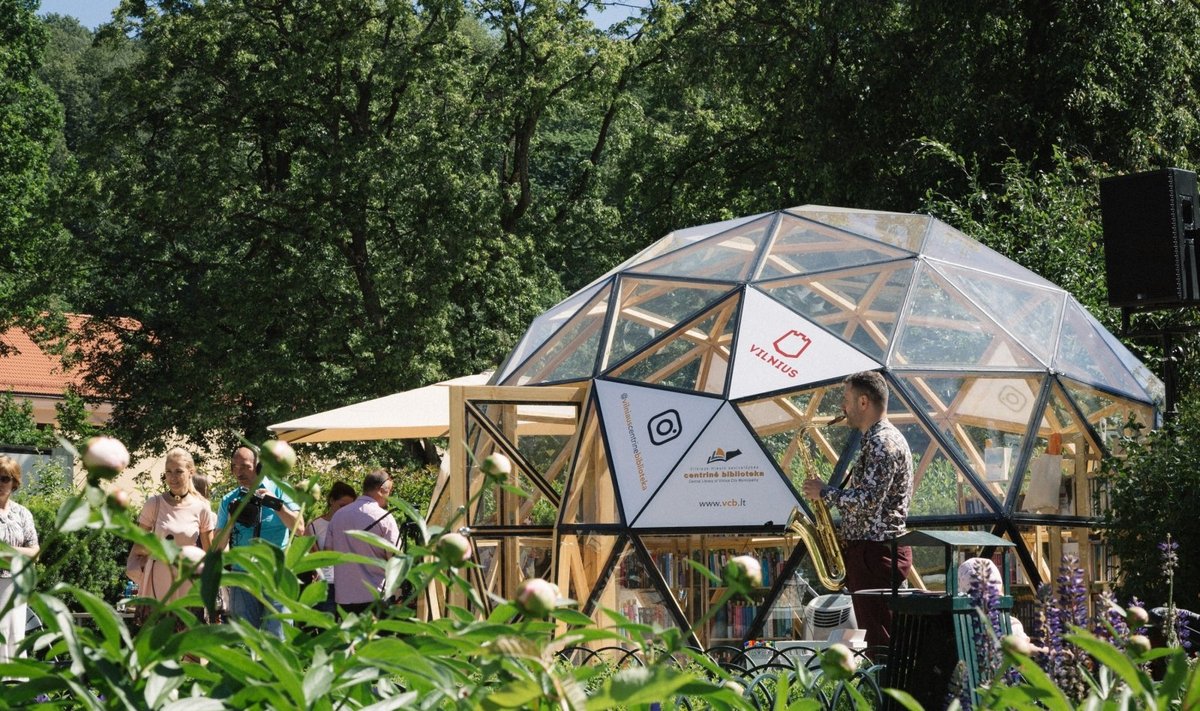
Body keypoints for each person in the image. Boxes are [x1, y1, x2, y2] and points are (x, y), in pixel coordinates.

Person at [803, 370, 913, 652]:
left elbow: (869, 501)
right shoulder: (878, 439)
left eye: (846, 398)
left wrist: (825, 492)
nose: (843, 406)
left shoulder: (882, 442)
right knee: (877, 633)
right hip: (871, 553)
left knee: (880, 641)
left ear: (864, 402)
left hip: (875, 554)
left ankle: (886, 692)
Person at [214, 446, 302, 637]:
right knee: (244, 639)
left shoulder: (280, 490)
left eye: (244, 466)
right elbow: (217, 546)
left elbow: (300, 528)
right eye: (234, 466)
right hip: (242, 575)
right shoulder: (229, 500)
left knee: (278, 636)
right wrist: (231, 518)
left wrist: (276, 505)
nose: (238, 471)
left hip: (276, 575)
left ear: (259, 466)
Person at [128, 448, 217, 606]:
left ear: (191, 472)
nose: (172, 477)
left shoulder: (202, 507)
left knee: (189, 629)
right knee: (159, 630)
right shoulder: (153, 504)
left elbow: (209, 553)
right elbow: (139, 546)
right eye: (168, 472)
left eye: (178, 471)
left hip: (189, 579)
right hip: (158, 579)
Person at [327, 470, 399, 616]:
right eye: (389, 491)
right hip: (375, 594)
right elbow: (396, 557)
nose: (389, 497)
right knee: (379, 639)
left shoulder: (338, 516)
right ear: (382, 490)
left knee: (351, 639)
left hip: (344, 597)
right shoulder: (384, 517)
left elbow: (329, 551)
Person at [0, 455, 39, 663]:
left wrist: (6, 550)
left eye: (4, 478)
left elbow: (35, 552)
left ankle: (14, 688)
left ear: (15, 482)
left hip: (16, 583)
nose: (0, 483)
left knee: (15, 636)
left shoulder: (22, 514)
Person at [303, 480, 356, 612]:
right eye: (342, 505)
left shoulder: (354, 525)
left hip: (349, 583)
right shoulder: (315, 525)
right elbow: (313, 557)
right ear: (332, 501)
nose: (345, 511)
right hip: (327, 583)